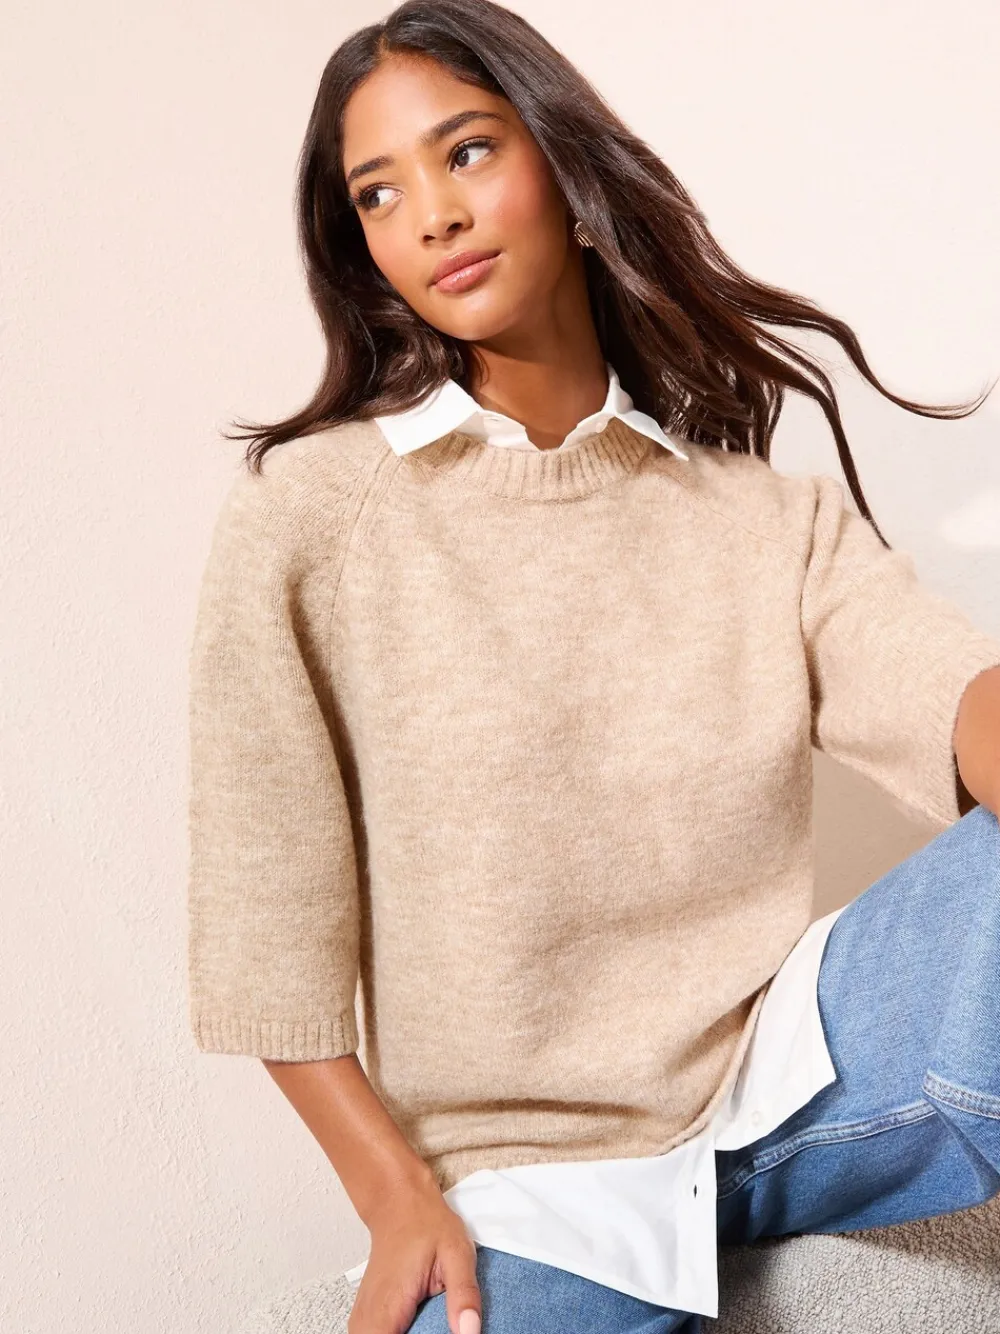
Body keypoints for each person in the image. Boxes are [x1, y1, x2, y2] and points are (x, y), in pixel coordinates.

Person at [185, 3, 1000, 1332]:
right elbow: (263, 918)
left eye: (466, 151)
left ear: (562, 167)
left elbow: (948, 691)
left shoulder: (761, 518)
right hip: (529, 1182)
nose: (433, 216)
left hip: (787, 1090)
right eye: (379, 193)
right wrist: (393, 1193)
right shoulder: (312, 517)